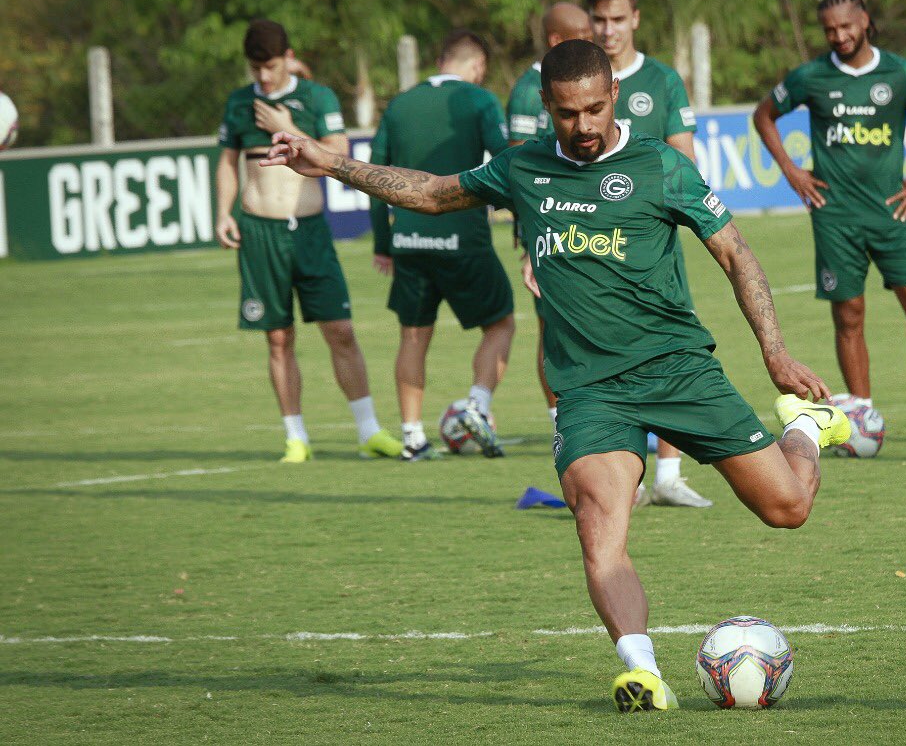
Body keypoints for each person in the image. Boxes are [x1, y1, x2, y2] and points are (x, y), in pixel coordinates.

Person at [262, 38, 852, 712]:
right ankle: (642, 669)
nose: (585, 126)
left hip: (678, 369)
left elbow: (736, 254)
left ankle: (805, 427)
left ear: (615, 99)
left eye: (596, 109)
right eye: (569, 113)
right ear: (546, 107)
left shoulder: (660, 166)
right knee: (600, 520)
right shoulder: (522, 167)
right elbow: (429, 193)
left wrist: (775, 354)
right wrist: (330, 162)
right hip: (591, 390)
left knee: (788, 508)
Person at [753, 0, 906, 444]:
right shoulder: (811, 76)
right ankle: (860, 421)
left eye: (846, 26)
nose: (839, 36)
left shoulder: (901, 72)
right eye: (829, 30)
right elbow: (764, 115)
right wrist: (790, 169)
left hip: (891, 212)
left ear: (865, 21)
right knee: (850, 314)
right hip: (834, 215)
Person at [215, 19, 400, 463]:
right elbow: (227, 162)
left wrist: (288, 125)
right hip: (260, 232)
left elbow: (339, 153)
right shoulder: (239, 103)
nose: (263, 76)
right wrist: (222, 212)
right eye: (256, 67)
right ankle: (295, 437)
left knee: (340, 330)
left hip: (312, 231)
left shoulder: (316, 98)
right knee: (278, 338)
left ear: (289, 58)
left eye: (271, 66)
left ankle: (369, 430)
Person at [586, 0, 712, 506]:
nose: (609, 30)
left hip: (652, 245)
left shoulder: (662, 81)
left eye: (618, 19)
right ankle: (623, 475)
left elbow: (685, 163)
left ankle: (668, 475)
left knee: (668, 345)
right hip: (585, 245)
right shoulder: (576, 78)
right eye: (599, 19)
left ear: (635, 18)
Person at [371, 29, 513, 461]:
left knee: (413, 336)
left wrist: (384, 243)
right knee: (501, 322)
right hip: (462, 236)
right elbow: (506, 157)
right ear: (477, 66)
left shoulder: (400, 104)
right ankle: (477, 405)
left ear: (440, 59)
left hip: (408, 240)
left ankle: (412, 436)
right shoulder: (479, 100)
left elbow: (375, 176)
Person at [507, 2, 593, 441]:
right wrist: (530, 244)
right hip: (548, 234)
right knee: (555, 331)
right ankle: (561, 425)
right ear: (558, 39)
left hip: (591, 225)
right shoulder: (528, 90)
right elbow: (524, 171)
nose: (594, 35)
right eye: (584, 30)